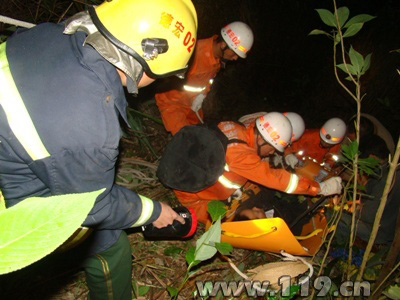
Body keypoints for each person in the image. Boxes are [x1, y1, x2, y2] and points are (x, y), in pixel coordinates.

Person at [0, 0, 197, 299]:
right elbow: (94, 206)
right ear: (149, 55)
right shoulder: (92, 124)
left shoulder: (47, 34)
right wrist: (155, 211)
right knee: (108, 242)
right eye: (164, 74)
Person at [161, 112, 343, 224]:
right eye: (272, 147)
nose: (272, 152)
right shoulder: (241, 154)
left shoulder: (239, 129)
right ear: (262, 139)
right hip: (195, 199)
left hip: (194, 175)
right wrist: (319, 188)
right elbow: (276, 179)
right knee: (234, 221)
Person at [155, 21, 254, 135]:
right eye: (235, 53)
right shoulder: (195, 55)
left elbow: (205, 81)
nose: (235, 58)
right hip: (173, 103)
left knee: (200, 133)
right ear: (223, 45)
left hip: (191, 104)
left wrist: (202, 95)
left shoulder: (216, 58)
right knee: (185, 140)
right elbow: (168, 89)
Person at [334, 135, 400, 245]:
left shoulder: (385, 179)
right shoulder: (388, 171)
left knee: (334, 217)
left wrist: (348, 208)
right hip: (384, 226)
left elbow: (368, 216)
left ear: (372, 158)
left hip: (381, 233)